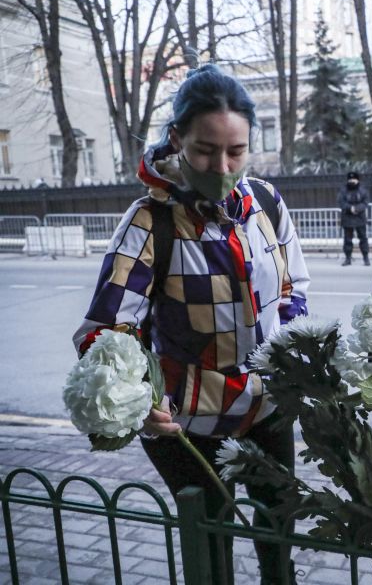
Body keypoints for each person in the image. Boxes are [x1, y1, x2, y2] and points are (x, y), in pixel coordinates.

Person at [73, 64, 311, 585]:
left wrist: (293, 347)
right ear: (178, 139)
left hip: (267, 408)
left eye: (236, 152)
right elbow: (108, 329)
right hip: (187, 423)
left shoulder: (266, 204)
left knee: (279, 539)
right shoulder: (151, 221)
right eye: (205, 150)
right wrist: (137, 396)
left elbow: (293, 289)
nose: (221, 166)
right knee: (212, 553)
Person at [339, 171, 369, 266]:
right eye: (350, 179)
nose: (352, 181)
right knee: (347, 240)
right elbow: (341, 202)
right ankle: (348, 258)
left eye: (354, 179)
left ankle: (366, 258)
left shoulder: (363, 190)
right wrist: (350, 208)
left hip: (360, 218)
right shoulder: (343, 191)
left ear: (358, 180)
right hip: (347, 218)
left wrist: (356, 209)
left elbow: (365, 203)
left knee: (363, 239)